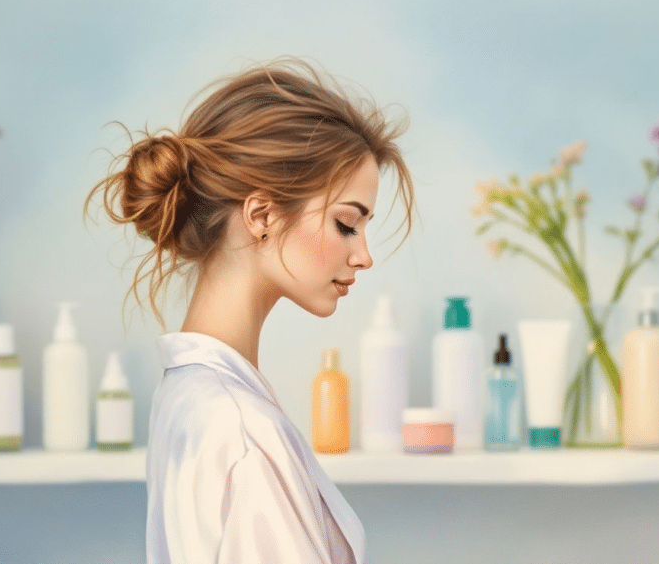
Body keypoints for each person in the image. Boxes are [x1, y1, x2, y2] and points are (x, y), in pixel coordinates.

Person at [85, 57, 416, 564]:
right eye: (347, 224)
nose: (363, 255)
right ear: (261, 215)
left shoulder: (189, 392)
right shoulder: (243, 430)